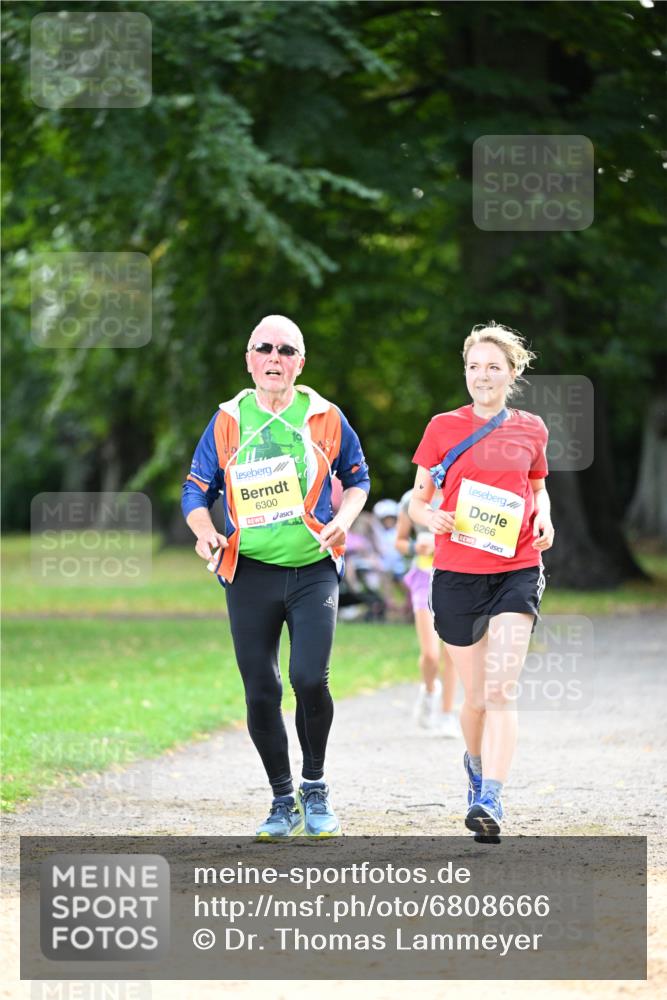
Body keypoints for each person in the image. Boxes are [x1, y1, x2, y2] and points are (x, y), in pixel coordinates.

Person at [182, 315, 370, 839]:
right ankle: (282, 797)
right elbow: (196, 489)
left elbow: (358, 479)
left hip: (313, 568)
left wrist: (343, 522)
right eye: (264, 348)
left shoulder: (327, 417)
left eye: (286, 350)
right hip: (250, 573)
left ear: (299, 363)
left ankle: (315, 785)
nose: (275, 358)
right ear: (249, 359)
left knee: (310, 677)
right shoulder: (226, 420)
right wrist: (204, 531)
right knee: (261, 689)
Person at [409, 322, 554, 837]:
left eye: (494, 367)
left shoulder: (532, 428)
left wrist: (544, 517)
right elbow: (417, 498)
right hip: (456, 573)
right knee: (474, 698)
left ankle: (491, 798)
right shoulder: (442, 427)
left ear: (511, 373)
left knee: (501, 689)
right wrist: (432, 518)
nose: (483, 376)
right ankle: (474, 766)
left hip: (515, 566)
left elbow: (537, 487)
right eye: (474, 367)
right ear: (465, 372)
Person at [395, 488, 459, 737]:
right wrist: (415, 546)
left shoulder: (464, 493)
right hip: (424, 577)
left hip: (457, 576)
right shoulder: (411, 498)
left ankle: (446, 715)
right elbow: (400, 542)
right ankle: (430, 690)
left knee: (453, 652)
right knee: (431, 655)